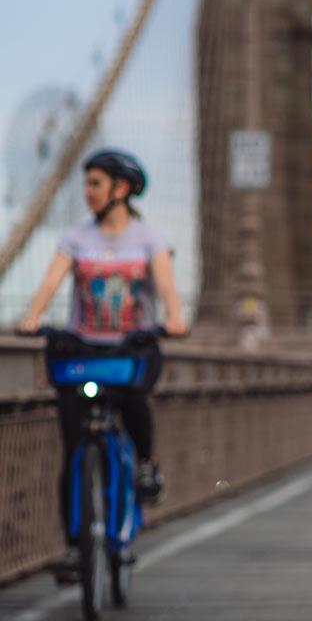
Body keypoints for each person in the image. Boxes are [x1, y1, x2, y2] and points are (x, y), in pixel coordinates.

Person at [19, 148, 187, 578]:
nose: (88, 192)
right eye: (87, 183)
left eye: (95, 183)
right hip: (85, 352)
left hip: (130, 350)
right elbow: (52, 280)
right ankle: (77, 547)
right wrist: (33, 316)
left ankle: (146, 466)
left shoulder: (149, 240)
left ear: (122, 188)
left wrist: (174, 317)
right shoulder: (75, 238)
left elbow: (166, 288)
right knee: (74, 449)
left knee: (133, 402)